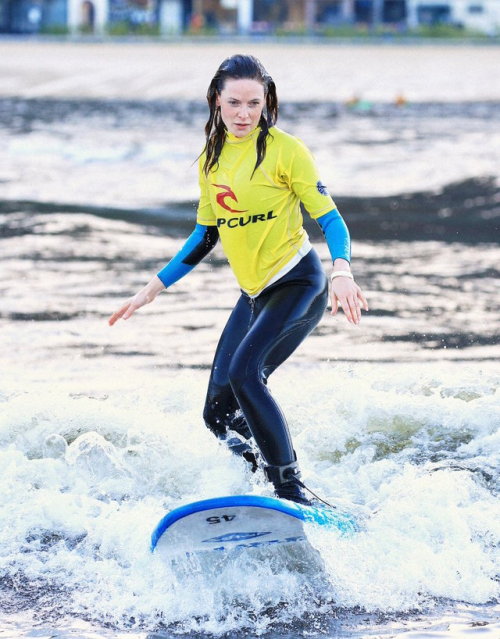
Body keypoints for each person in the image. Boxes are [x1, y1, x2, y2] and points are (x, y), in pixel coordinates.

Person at [109, 54, 368, 506]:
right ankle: (267, 483)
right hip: (253, 296)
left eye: (255, 103)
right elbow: (206, 233)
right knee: (216, 414)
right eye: (234, 103)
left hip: (298, 283)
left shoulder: (287, 151)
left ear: (267, 102)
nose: (245, 114)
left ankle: (290, 489)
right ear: (216, 101)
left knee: (246, 375)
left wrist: (342, 269)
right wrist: (155, 286)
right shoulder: (211, 161)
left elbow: (332, 221)